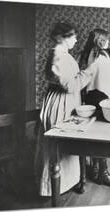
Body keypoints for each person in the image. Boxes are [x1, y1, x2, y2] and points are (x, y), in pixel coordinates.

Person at [34, 22, 96, 196]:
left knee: (64, 147)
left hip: (64, 101)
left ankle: (65, 183)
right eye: (73, 36)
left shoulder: (62, 54)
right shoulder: (59, 56)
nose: (76, 40)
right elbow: (70, 86)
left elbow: (70, 79)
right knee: (58, 146)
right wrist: (90, 70)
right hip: (61, 103)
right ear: (63, 38)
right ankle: (52, 187)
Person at [79, 28, 110, 186]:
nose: (109, 41)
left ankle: (96, 170)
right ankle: (103, 172)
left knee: (95, 134)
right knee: (103, 135)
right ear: (101, 40)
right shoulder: (102, 56)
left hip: (91, 96)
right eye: (107, 39)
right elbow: (105, 78)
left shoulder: (89, 53)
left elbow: (91, 76)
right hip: (101, 96)